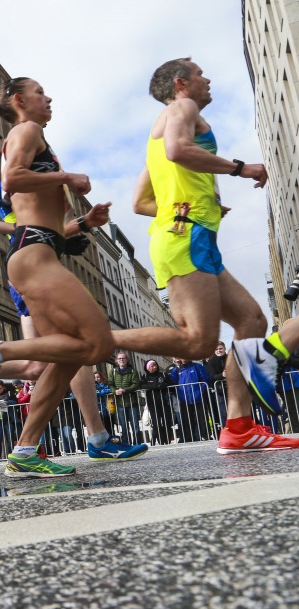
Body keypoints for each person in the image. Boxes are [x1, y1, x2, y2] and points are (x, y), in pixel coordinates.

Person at [0, 79, 135, 478]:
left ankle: (26, 450)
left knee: (64, 355)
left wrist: (83, 223)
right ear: (20, 100)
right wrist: (66, 179)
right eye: (41, 92)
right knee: (92, 342)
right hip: (32, 256)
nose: (50, 98)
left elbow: (49, 224)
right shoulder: (25, 131)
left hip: (41, 249)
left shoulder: (35, 139)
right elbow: (11, 182)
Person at [114, 57, 299, 453]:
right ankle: (96, 337)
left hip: (192, 232)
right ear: (181, 83)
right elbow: (180, 150)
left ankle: (239, 427)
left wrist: (206, 205)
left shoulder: (157, 134)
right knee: (199, 342)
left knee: (251, 321)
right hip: (186, 237)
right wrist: (239, 168)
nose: (208, 79)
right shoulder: (182, 109)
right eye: (200, 74)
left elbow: (141, 201)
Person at [0, 176, 146, 462]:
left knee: (37, 366)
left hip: (34, 273)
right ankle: (96, 437)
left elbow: (46, 233)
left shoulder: (38, 185)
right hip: (32, 275)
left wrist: (82, 224)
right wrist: (19, 229)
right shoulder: (12, 181)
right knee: (78, 349)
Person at [168, 357, 211, 442]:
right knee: (187, 419)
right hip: (184, 399)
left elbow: (205, 379)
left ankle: (206, 436)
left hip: (198, 397)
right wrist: (179, 395)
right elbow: (173, 383)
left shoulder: (197, 366)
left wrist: (200, 392)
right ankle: (189, 437)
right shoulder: (176, 370)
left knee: (202, 418)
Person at [110, 352, 143, 444]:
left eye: (123, 358)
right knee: (124, 427)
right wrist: (115, 391)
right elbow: (110, 384)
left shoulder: (133, 371)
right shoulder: (113, 371)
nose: (121, 360)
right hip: (120, 403)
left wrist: (125, 390)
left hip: (132, 402)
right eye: (119, 358)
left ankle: (137, 444)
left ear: (127, 360)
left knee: (135, 426)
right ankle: (126, 445)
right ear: (116, 360)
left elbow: (136, 384)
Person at [140, 359, 175, 444]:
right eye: (152, 366)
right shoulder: (145, 377)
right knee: (156, 423)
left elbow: (170, 384)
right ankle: (160, 440)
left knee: (167, 421)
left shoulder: (163, 374)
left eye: (155, 365)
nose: (154, 367)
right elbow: (141, 385)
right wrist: (154, 386)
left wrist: (162, 386)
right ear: (148, 368)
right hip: (152, 403)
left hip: (164, 401)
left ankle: (167, 440)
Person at [204, 341, 229, 432]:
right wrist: (222, 375)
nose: (219, 351)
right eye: (216, 349)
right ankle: (226, 431)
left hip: (232, 390)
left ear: (224, 349)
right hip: (220, 390)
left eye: (220, 348)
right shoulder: (211, 361)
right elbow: (212, 376)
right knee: (223, 413)